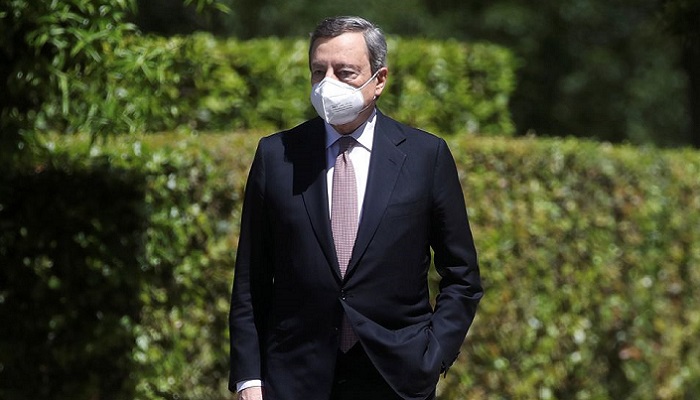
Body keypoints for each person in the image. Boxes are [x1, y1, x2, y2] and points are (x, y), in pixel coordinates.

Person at [229, 16, 482, 400]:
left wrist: (433, 356)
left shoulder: (425, 156)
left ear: (378, 80)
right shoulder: (276, 156)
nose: (327, 84)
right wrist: (250, 379)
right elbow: (251, 281)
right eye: (318, 71)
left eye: (344, 72)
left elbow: (462, 276)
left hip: (395, 378)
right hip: (295, 379)